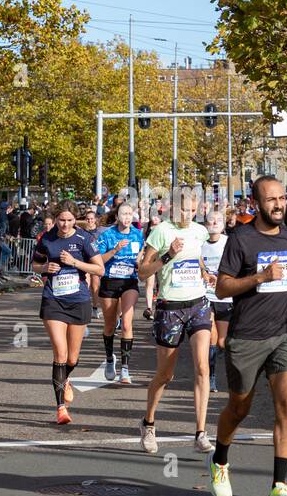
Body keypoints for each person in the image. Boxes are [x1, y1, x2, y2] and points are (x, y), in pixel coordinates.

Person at [205, 176, 287, 496]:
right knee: (239, 408)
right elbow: (222, 289)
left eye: (282, 198)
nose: (278, 204)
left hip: (283, 333)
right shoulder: (241, 239)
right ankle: (219, 460)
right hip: (246, 336)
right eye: (270, 199)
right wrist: (261, 276)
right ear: (256, 202)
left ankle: (279, 486)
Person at [136, 188, 215, 453]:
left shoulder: (199, 231)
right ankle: (148, 423)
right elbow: (143, 271)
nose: (188, 215)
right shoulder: (161, 232)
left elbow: (197, 258)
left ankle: (201, 433)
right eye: (184, 210)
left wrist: (205, 274)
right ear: (172, 208)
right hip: (170, 308)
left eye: (193, 210)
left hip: (199, 304)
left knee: (203, 367)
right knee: (165, 374)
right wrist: (167, 255)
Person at [32, 201, 104, 425]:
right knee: (60, 355)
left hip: (78, 300)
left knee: (72, 358)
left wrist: (75, 262)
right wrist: (44, 269)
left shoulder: (84, 239)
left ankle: (66, 378)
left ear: (75, 220)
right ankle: (60, 408)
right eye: (61, 220)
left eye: (69, 220)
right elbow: (35, 264)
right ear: (55, 219)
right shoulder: (47, 238)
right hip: (53, 300)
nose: (65, 224)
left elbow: (99, 269)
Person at [94, 203, 143, 384]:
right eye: (124, 213)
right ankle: (109, 360)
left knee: (127, 325)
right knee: (110, 325)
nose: (127, 217)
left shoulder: (138, 234)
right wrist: (115, 250)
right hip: (109, 282)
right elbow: (98, 260)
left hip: (129, 282)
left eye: (130, 214)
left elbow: (140, 256)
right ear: (117, 216)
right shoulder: (107, 235)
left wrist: (140, 261)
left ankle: (125, 369)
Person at [201, 210, 232, 393]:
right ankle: (210, 377)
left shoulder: (228, 243)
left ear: (224, 224)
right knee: (211, 338)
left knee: (222, 342)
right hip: (205, 295)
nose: (215, 222)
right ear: (206, 223)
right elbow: (195, 261)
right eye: (211, 219)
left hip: (225, 296)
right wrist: (204, 272)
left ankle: (228, 373)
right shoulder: (200, 244)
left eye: (219, 220)